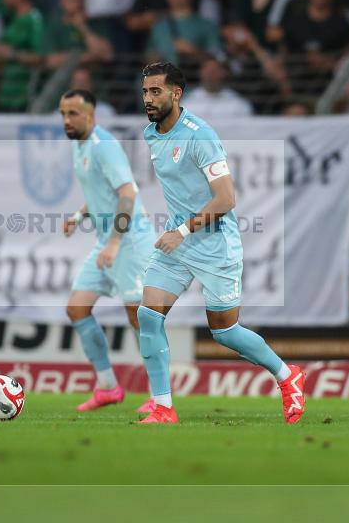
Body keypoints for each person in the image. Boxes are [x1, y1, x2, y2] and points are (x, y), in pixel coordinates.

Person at [135, 61, 306, 424]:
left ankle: (288, 376)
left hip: (213, 246)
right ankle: (163, 406)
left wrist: (181, 231)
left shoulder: (200, 136)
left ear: (176, 94)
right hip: (178, 246)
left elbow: (226, 199)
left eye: (156, 91)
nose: (148, 98)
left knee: (225, 331)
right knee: (148, 315)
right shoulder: (151, 133)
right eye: (145, 91)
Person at [59, 88, 156, 413]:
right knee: (77, 308)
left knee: (139, 317)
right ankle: (108, 387)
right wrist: (78, 216)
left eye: (73, 114)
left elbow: (127, 194)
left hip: (129, 241)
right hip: (108, 242)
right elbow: (103, 192)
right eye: (63, 114)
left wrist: (115, 242)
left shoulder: (105, 147)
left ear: (91, 115)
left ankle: (160, 397)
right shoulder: (80, 146)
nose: (67, 120)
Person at [146, 0, 221, 64]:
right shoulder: (158, 26)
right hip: (163, 76)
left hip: (190, 76)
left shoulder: (207, 25)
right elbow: (149, 57)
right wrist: (154, 59)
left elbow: (217, 60)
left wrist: (194, 52)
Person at [43, 0, 114, 69]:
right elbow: (50, 60)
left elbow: (107, 55)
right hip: (63, 79)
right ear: (61, 1)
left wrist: (83, 28)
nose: (75, 3)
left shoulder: (97, 23)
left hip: (93, 79)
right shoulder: (54, 25)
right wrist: (89, 57)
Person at [181, 56, 253, 118]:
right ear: (201, 72)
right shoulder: (187, 103)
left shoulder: (239, 105)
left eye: (214, 71)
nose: (210, 75)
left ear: (224, 73)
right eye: (207, 70)